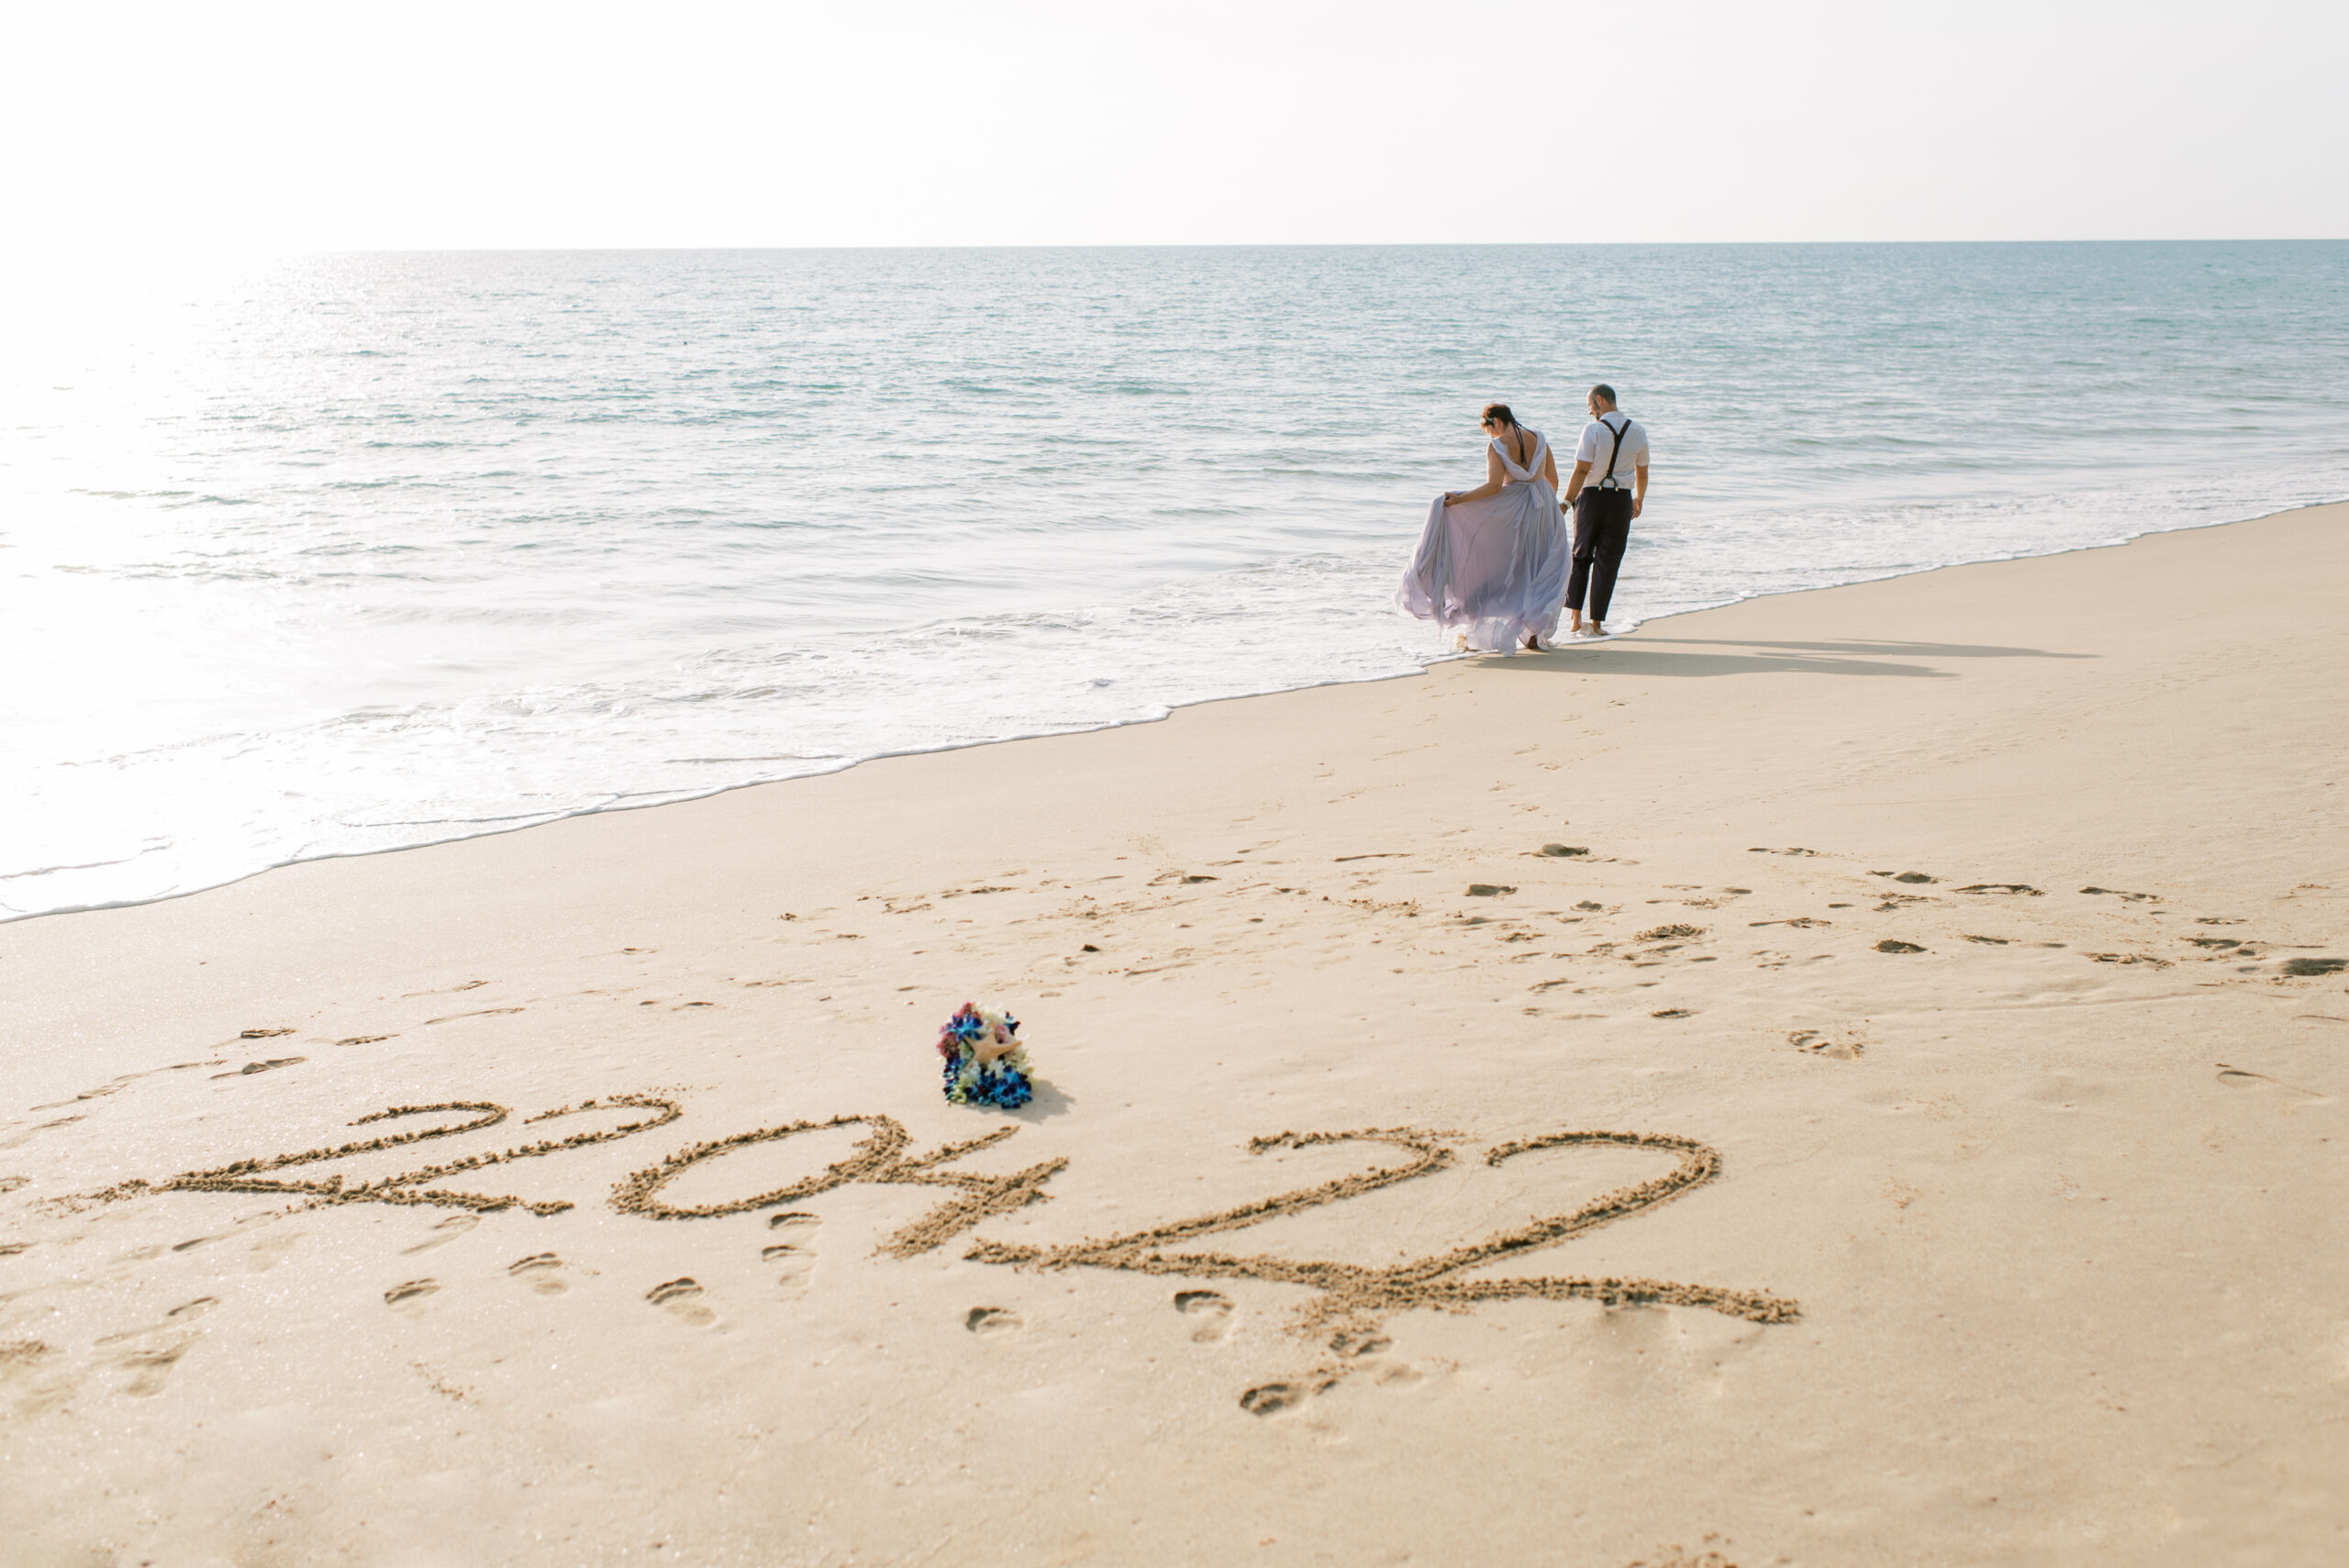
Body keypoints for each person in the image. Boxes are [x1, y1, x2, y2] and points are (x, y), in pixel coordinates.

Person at [1396, 403, 1571, 652]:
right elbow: (1552, 479)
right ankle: (1533, 633)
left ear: (1495, 422)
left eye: (1488, 430)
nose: (1490, 436)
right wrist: (1544, 507)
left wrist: (1460, 500)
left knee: (1503, 570)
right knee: (1538, 570)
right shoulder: (1539, 438)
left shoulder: (1497, 446)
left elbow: (1494, 487)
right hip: (1546, 511)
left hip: (1515, 514)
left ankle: (1486, 630)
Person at [1561, 384, 1649, 637]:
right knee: (1608, 561)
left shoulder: (1593, 430)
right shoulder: (1638, 431)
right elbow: (1642, 472)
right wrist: (1639, 499)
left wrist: (1566, 502)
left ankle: (1575, 620)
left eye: (1590, 406)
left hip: (1591, 497)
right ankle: (1597, 624)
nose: (1590, 412)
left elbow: (1581, 470)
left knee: (1581, 556)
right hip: (1621, 500)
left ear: (1599, 400)